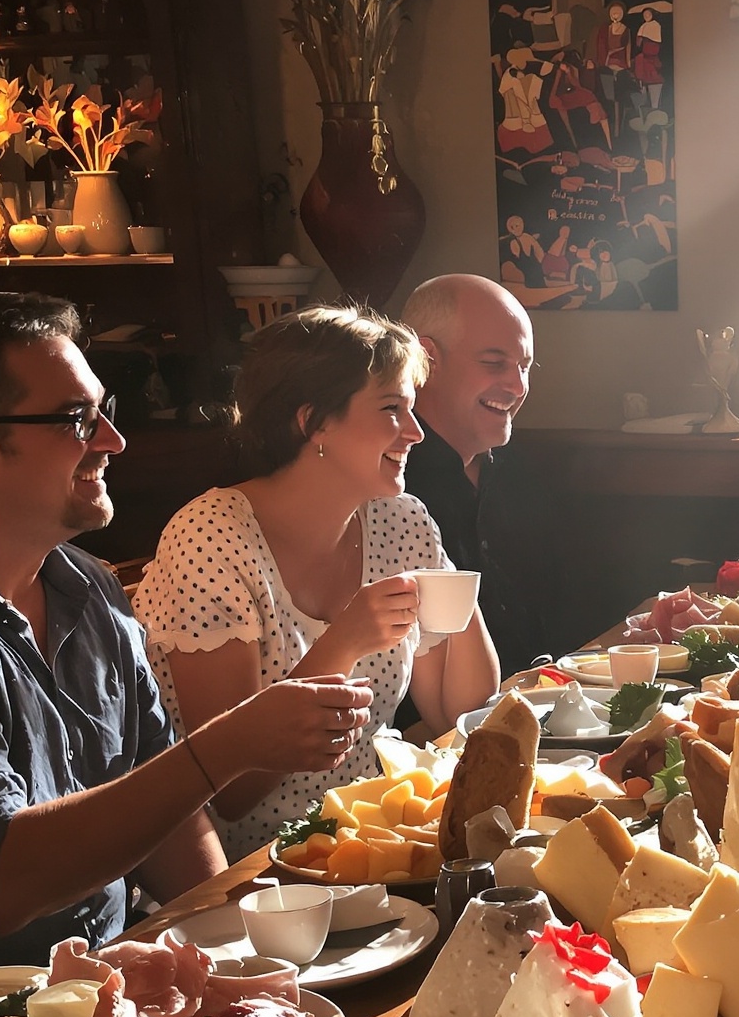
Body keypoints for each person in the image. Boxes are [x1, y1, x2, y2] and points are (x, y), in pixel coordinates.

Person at [0, 293, 368, 1017]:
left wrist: (245, 962)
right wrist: (229, 746)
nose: (113, 439)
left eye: (103, 409)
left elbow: (171, 819)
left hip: (118, 1007)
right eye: (76, 419)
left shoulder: (83, 583)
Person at [135, 304, 498, 862]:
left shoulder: (400, 520)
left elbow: (460, 713)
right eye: (391, 409)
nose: (417, 433)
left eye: (412, 409)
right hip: (259, 870)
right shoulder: (211, 538)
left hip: (373, 837)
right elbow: (231, 791)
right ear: (312, 422)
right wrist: (342, 643)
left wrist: (455, 589)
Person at [400, 273, 543, 672]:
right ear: (426, 359)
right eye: (494, 363)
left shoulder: (519, 473)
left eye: (525, 367)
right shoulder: (389, 482)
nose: (517, 387)